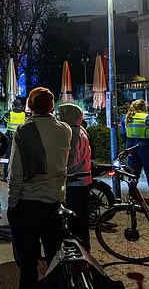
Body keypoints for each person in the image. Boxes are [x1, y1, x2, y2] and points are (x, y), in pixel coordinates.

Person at [7, 87, 71, 289]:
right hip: (55, 203)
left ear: (30, 105)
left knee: (28, 265)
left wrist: (12, 204)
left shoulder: (24, 131)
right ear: (52, 106)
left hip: (28, 204)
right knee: (55, 262)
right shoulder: (65, 130)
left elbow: (16, 173)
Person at [58, 103, 92, 251]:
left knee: (75, 218)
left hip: (75, 182)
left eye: (61, 115)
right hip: (82, 180)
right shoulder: (80, 129)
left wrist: (60, 170)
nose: (58, 118)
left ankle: (77, 250)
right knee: (81, 218)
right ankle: (83, 248)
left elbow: (72, 160)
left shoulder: (72, 133)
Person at [120, 99, 149, 205]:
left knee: (133, 172)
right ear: (144, 107)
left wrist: (128, 144)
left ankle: (132, 196)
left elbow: (123, 134)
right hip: (146, 146)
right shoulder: (148, 118)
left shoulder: (125, 118)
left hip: (131, 146)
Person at [2, 99, 26, 181]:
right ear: (21, 106)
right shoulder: (24, 115)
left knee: (8, 156)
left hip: (10, 136)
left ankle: (6, 175)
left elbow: (5, 122)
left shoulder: (9, 114)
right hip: (20, 137)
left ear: (13, 105)